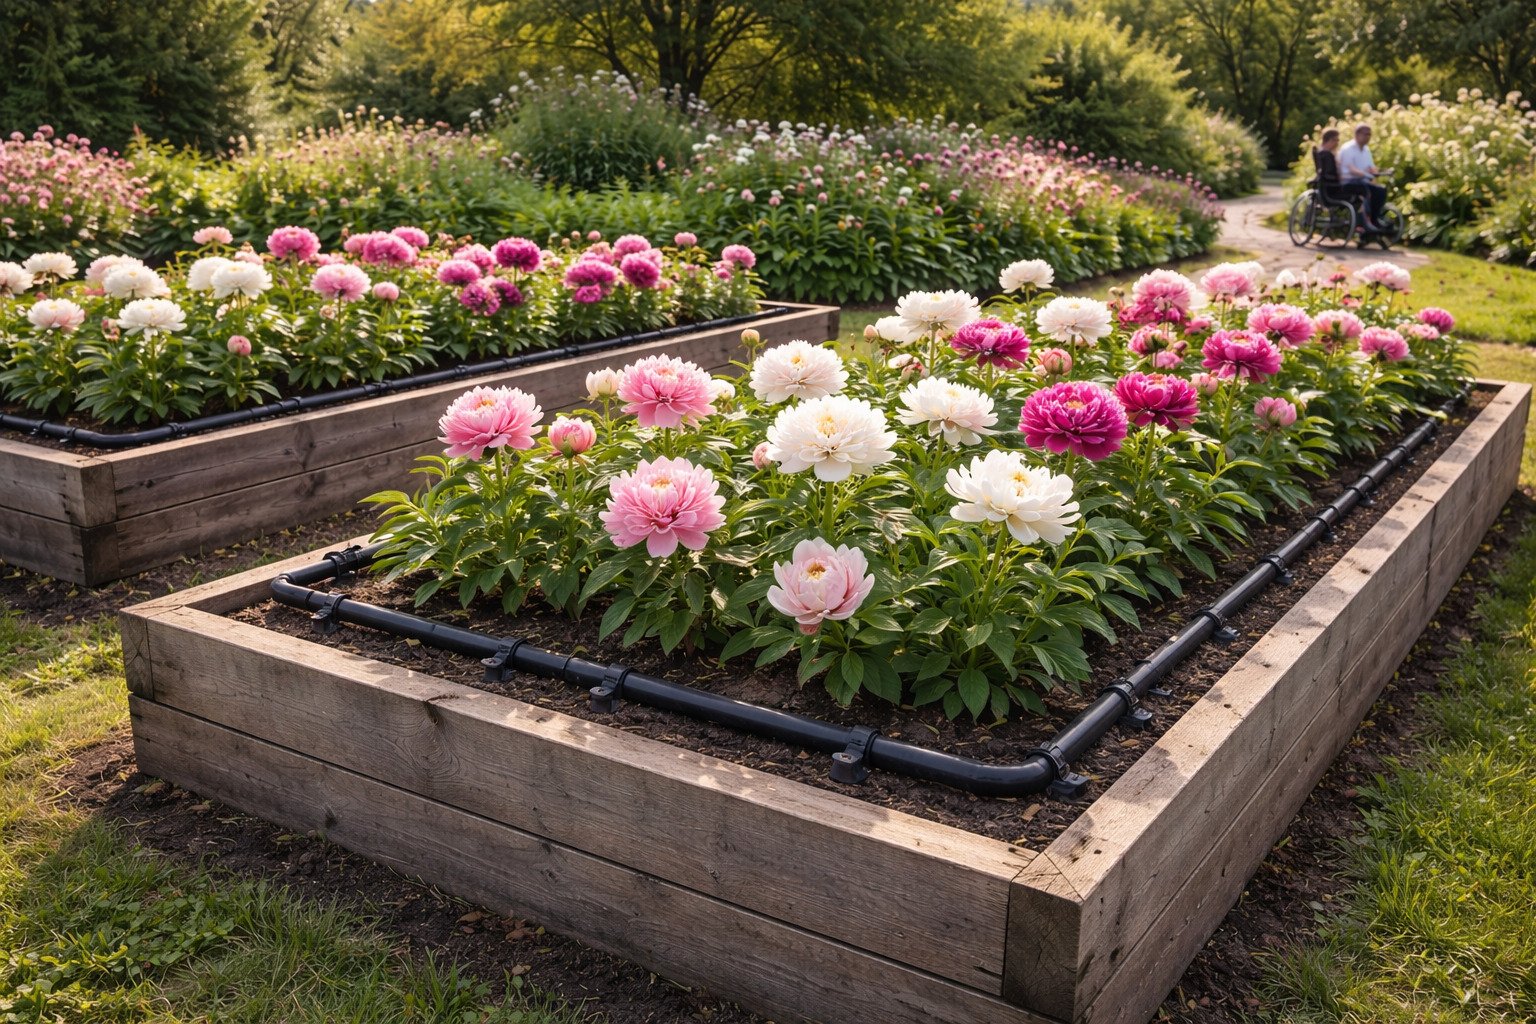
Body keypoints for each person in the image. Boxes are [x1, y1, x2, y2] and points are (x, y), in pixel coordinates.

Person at [1338, 124, 1389, 231]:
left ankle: (1375, 220)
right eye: (1365, 134)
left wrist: (1381, 172)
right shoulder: (1347, 148)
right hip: (1347, 183)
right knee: (1365, 190)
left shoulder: (1366, 150)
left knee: (1381, 191)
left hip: (1362, 182)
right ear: (1357, 134)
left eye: (1369, 134)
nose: (1368, 137)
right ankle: (1363, 222)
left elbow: (1371, 168)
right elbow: (1351, 169)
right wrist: (1366, 174)